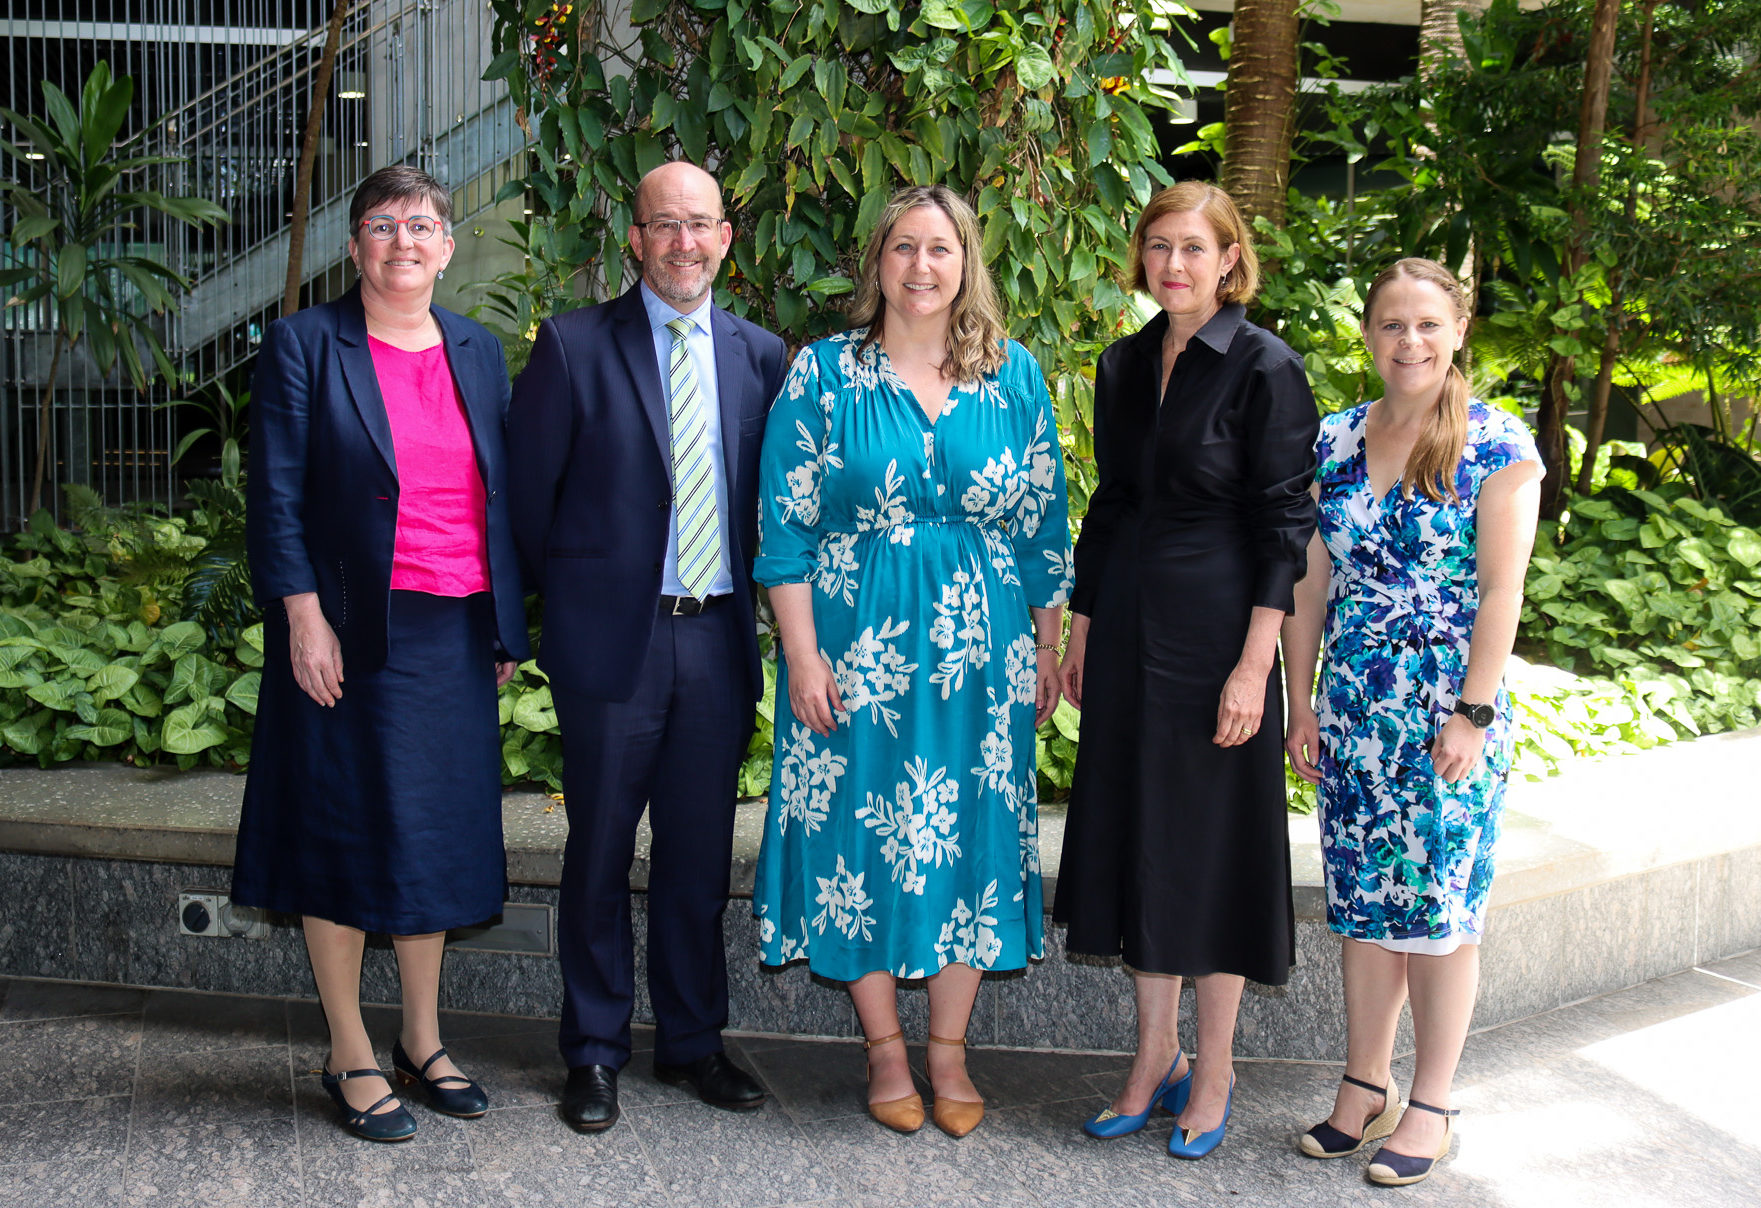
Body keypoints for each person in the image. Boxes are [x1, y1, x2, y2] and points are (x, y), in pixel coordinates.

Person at [751, 185, 1072, 1139]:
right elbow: (783, 526)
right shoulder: (821, 375)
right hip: (854, 651)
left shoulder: (1012, 375)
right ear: (876, 263)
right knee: (859, 834)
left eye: (940, 249)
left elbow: (1042, 525)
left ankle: (950, 1051)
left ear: (965, 263)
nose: (921, 267)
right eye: (903, 248)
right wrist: (801, 657)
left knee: (970, 829)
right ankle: (884, 1048)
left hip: (985, 655)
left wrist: (1049, 649)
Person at [233, 165, 529, 1142]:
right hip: (352, 632)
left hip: (451, 628)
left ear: (448, 244)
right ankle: (349, 1047)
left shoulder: (479, 351)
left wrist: (501, 623)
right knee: (345, 832)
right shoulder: (304, 346)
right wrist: (303, 617)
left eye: (423, 223)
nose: (404, 240)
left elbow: (500, 498)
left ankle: (423, 1037)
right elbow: (275, 494)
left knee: (435, 836)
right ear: (357, 244)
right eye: (382, 224)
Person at [507, 161, 787, 1134]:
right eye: (662, 225)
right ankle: (592, 1048)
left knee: (699, 856)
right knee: (596, 852)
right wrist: (560, 607)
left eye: (699, 224)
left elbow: (776, 508)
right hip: (612, 643)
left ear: (725, 238)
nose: (682, 243)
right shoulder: (575, 347)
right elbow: (527, 505)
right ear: (634, 239)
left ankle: (692, 1039)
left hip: (715, 638)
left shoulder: (761, 356)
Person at [1052, 181, 1319, 1159]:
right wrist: (1081, 624)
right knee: (1137, 838)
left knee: (1208, 850)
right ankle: (1152, 1053)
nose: (1174, 265)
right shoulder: (1122, 364)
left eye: (1194, 248)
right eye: (1159, 246)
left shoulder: (1265, 367)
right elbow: (1112, 503)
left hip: (1220, 637)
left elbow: (1284, 526)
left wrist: (1258, 665)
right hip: (1125, 628)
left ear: (1230, 260)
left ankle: (1214, 1070)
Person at [1282, 257, 1541, 1187]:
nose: (1410, 341)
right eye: (1392, 324)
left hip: (1442, 708)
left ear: (1458, 329)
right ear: (1367, 335)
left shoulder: (1496, 443)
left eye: (1428, 324)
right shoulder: (1337, 437)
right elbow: (1311, 579)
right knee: (1362, 904)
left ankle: (1430, 1101)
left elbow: (1502, 591)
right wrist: (1298, 698)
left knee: (1436, 908)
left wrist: (1472, 711)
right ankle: (1361, 1085)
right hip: (1353, 705)